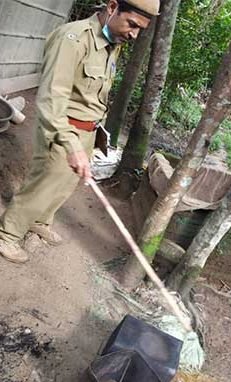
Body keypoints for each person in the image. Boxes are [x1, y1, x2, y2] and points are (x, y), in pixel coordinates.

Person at [0, 0, 158, 263]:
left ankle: (40, 221)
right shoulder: (72, 40)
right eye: (131, 24)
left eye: (140, 29)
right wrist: (71, 145)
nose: (134, 34)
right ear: (112, 7)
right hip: (62, 128)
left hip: (87, 129)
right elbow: (52, 98)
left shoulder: (112, 43)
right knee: (44, 184)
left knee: (65, 183)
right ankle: (8, 235)